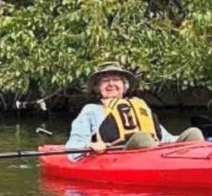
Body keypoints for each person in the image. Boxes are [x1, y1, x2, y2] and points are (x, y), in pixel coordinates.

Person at [66, 62, 203, 154]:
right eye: (105, 81)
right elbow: (73, 145)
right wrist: (90, 145)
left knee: (193, 132)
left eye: (116, 80)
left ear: (124, 86)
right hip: (117, 156)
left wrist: (186, 140)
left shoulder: (139, 107)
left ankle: (201, 165)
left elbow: (165, 138)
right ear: (98, 88)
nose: (111, 84)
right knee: (142, 138)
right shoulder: (91, 110)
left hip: (152, 152)